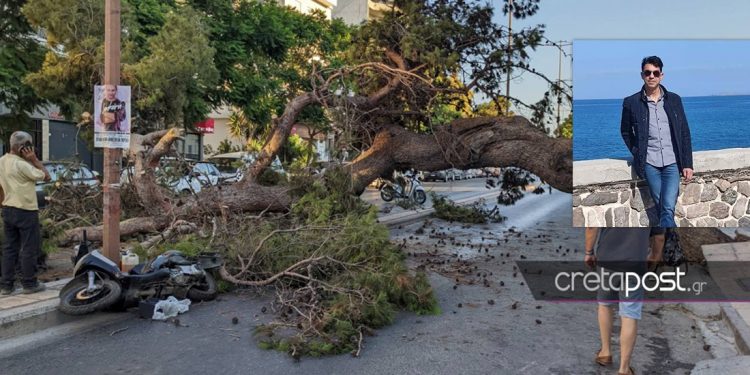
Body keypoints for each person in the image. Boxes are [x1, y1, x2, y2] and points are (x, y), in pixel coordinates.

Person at [620, 56, 693, 227]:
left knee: (667, 207)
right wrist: (637, 151)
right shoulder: (631, 103)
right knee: (665, 208)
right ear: (642, 75)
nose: (651, 76)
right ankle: (670, 246)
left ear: (661, 75)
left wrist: (688, 163)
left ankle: (666, 244)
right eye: (647, 73)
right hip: (649, 163)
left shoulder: (674, 100)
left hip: (672, 162)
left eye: (655, 73)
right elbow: (625, 131)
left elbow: (684, 132)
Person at [584, 227, 666, 375]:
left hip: (607, 262)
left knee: (604, 305)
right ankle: (623, 369)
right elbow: (659, 237)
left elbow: (592, 227)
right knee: (629, 314)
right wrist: (654, 257)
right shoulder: (653, 203)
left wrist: (589, 252)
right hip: (635, 265)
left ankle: (605, 352)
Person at [0, 131, 51, 295]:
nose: (32, 148)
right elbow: (47, 177)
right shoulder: (22, 165)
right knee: (29, 248)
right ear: (23, 147)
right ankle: (29, 284)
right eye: (29, 145)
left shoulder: (2, 161)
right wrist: (34, 159)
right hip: (26, 211)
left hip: (8, 209)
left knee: (9, 248)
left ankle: (6, 286)